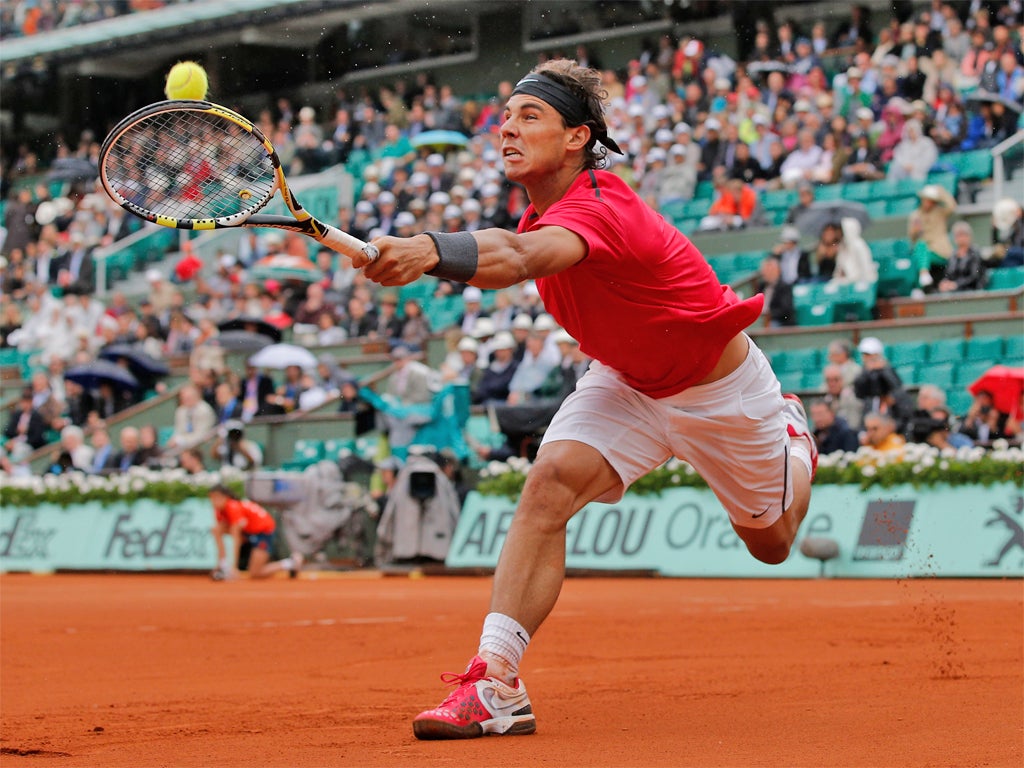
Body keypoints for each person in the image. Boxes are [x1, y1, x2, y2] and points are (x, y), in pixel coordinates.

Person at [355, 59, 816, 740]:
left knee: (772, 545)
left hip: (721, 393)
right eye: (504, 117)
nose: (507, 129)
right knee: (547, 485)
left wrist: (429, 249)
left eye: (528, 116)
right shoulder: (539, 213)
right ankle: (496, 683)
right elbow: (506, 246)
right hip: (627, 381)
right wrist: (434, 252)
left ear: (577, 137)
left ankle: (794, 438)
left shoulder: (605, 202)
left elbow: (515, 259)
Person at [207, 484, 303, 581]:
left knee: (255, 572)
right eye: (211, 498)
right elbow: (225, 532)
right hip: (249, 532)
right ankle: (223, 565)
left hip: (263, 532)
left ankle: (291, 563)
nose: (213, 501)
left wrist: (234, 568)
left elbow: (236, 539)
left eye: (216, 498)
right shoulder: (219, 510)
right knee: (216, 529)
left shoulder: (232, 507)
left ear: (225, 497)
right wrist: (220, 564)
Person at [938, 221, 987, 293]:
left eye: (962, 235)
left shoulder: (975, 253)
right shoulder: (952, 256)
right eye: (957, 235)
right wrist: (945, 283)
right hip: (954, 291)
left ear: (969, 236)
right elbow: (948, 275)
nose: (960, 238)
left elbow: (974, 277)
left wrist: (956, 284)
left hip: (971, 290)